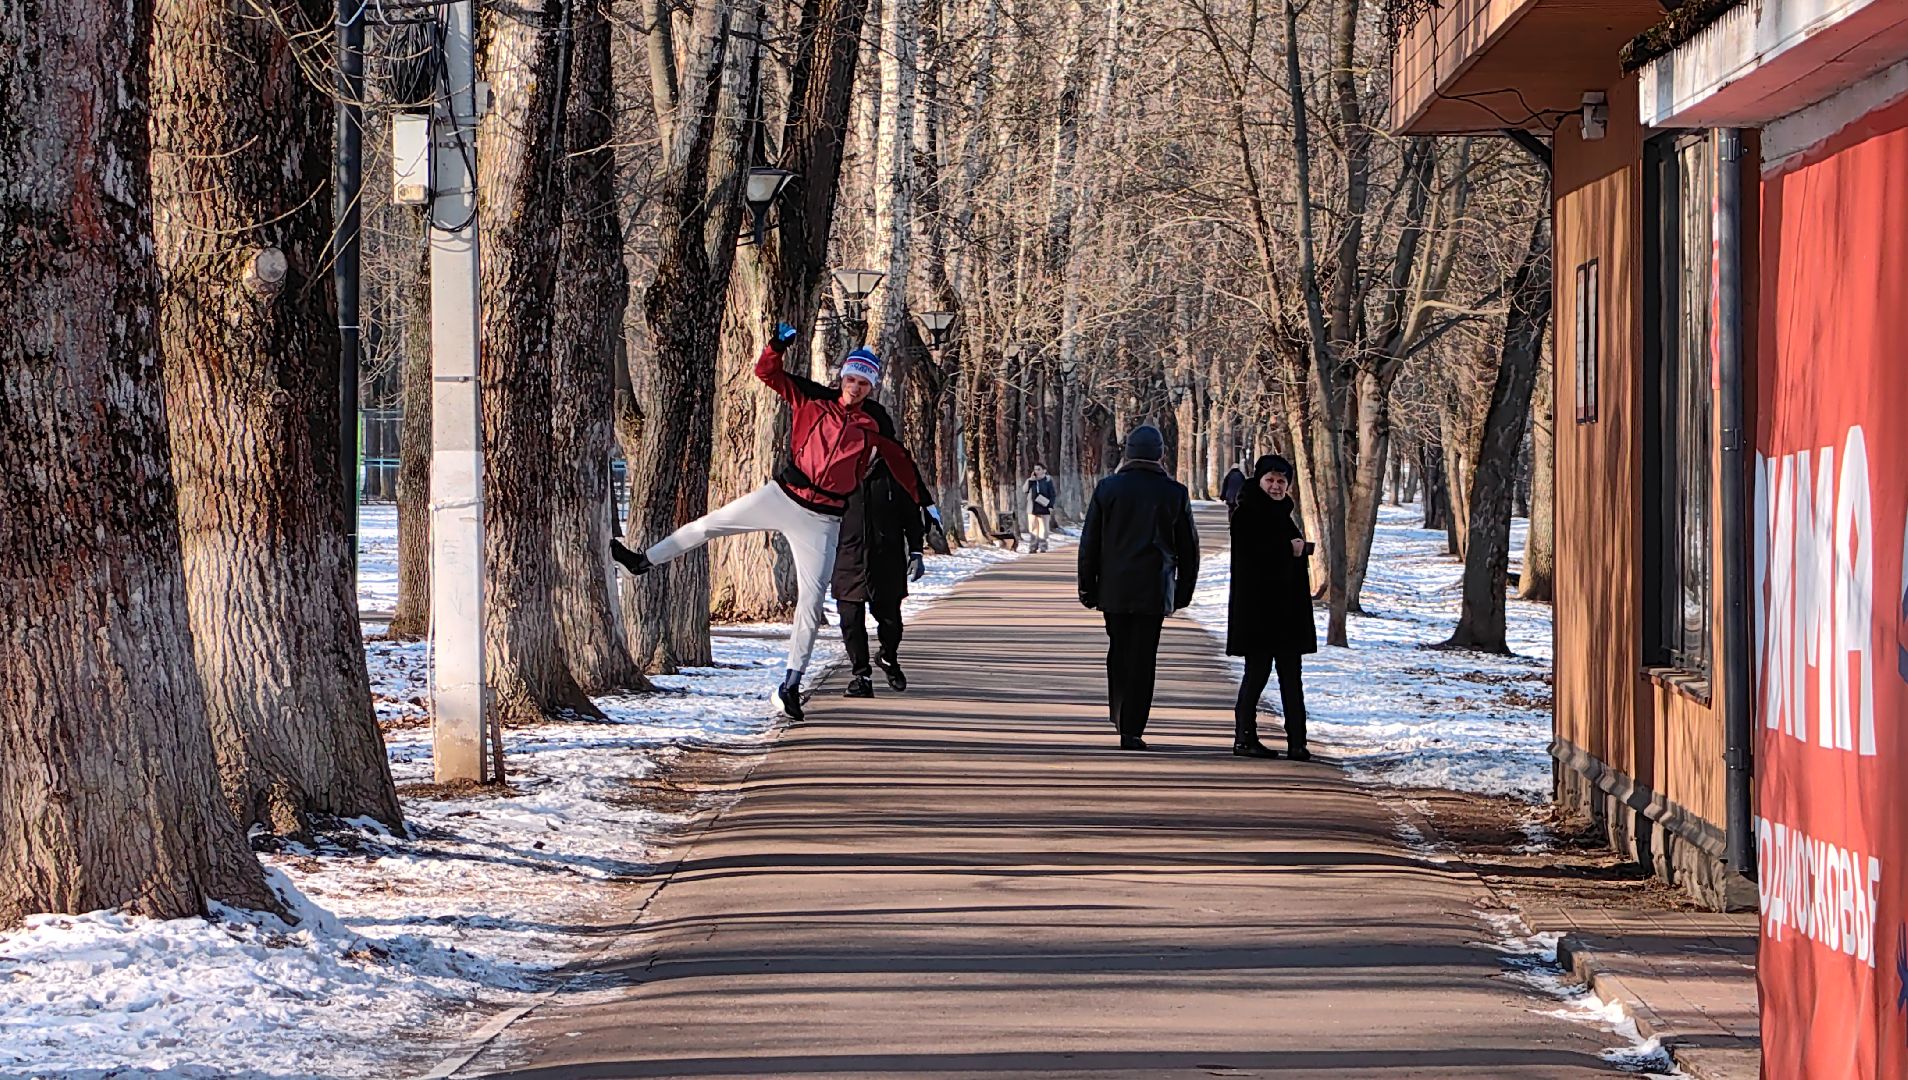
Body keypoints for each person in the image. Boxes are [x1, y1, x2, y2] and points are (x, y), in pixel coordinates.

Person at [611, 324, 923, 721]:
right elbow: (766, 374)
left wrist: (924, 506)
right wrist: (776, 346)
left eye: (863, 382)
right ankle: (641, 562)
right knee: (710, 525)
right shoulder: (813, 399)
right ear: (841, 377)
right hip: (782, 496)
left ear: (872, 386)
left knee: (810, 603)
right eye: (850, 378)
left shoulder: (875, 424)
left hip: (823, 519)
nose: (855, 386)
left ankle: (790, 684)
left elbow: (902, 464)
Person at [1076, 425, 1200, 751]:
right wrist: (1182, 592)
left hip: (1114, 589)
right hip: (1154, 589)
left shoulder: (1108, 489)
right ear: (1160, 454)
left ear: (1127, 452)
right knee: (1144, 656)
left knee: (1119, 648)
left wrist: (1087, 588)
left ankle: (1119, 711)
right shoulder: (1174, 493)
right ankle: (1132, 727)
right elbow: (1189, 550)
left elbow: (1090, 544)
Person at [832, 400, 930, 698]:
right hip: (847, 556)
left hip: (886, 557)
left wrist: (916, 550)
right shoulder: (837, 468)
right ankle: (861, 676)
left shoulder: (896, 468)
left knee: (890, 621)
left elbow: (912, 511)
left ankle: (888, 656)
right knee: (850, 620)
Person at [1226, 454, 1316, 760]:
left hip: (1288, 612)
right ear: (1259, 481)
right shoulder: (1246, 512)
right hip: (1259, 611)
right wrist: (1289, 549)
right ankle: (1244, 737)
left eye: (1281, 481)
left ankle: (1298, 742)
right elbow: (1253, 556)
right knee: (1257, 674)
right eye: (1270, 480)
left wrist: (1300, 549)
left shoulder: (1283, 513)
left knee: (1292, 676)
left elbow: (1291, 549)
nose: (1276, 487)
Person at [1025, 464, 1057, 552]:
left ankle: (1043, 546)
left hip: (1044, 507)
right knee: (1033, 528)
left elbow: (1052, 494)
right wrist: (1031, 480)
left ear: (1044, 470)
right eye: (1035, 469)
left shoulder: (1048, 480)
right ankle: (1033, 547)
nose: (1036, 471)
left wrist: (1050, 505)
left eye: (1039, 469)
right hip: (1032, 508)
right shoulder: (1031, 480)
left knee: (1044, 529)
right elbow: (1024, 490)